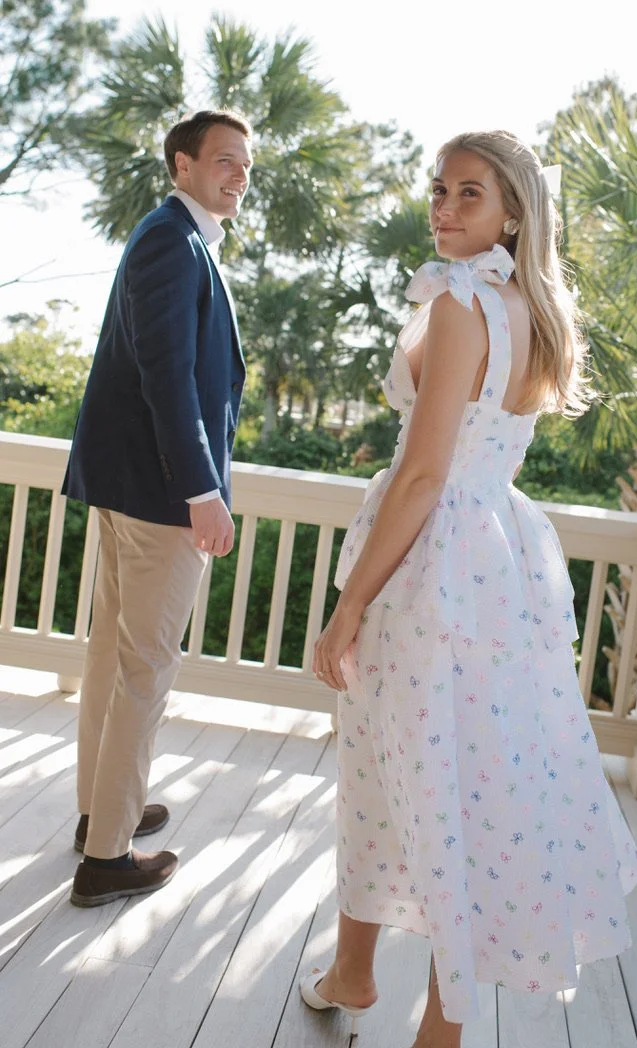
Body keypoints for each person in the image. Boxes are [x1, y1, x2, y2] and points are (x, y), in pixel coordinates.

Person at [306, 130, 637, 1047]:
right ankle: (360, 976)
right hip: (496, 559)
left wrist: (347, 608)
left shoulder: (458, 303)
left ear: (511, 214)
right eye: (440, 188)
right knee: (468, 786)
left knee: (391, 773)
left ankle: (428, 1019)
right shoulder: (529, 309)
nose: (445, 207)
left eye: (469, 193)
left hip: (430, 565)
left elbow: (422, 475)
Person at [61, 109, 252, 907]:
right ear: (181, 164)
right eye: (223, 162)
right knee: (143, 670)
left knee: (114, 659)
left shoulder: (177, 241)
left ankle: (99, 814)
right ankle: (106, 859)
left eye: (245, 166)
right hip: (160, 497)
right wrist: (201, 492)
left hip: (131, 488)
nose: (238, 175)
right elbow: (168, 379)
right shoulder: (170, 245)